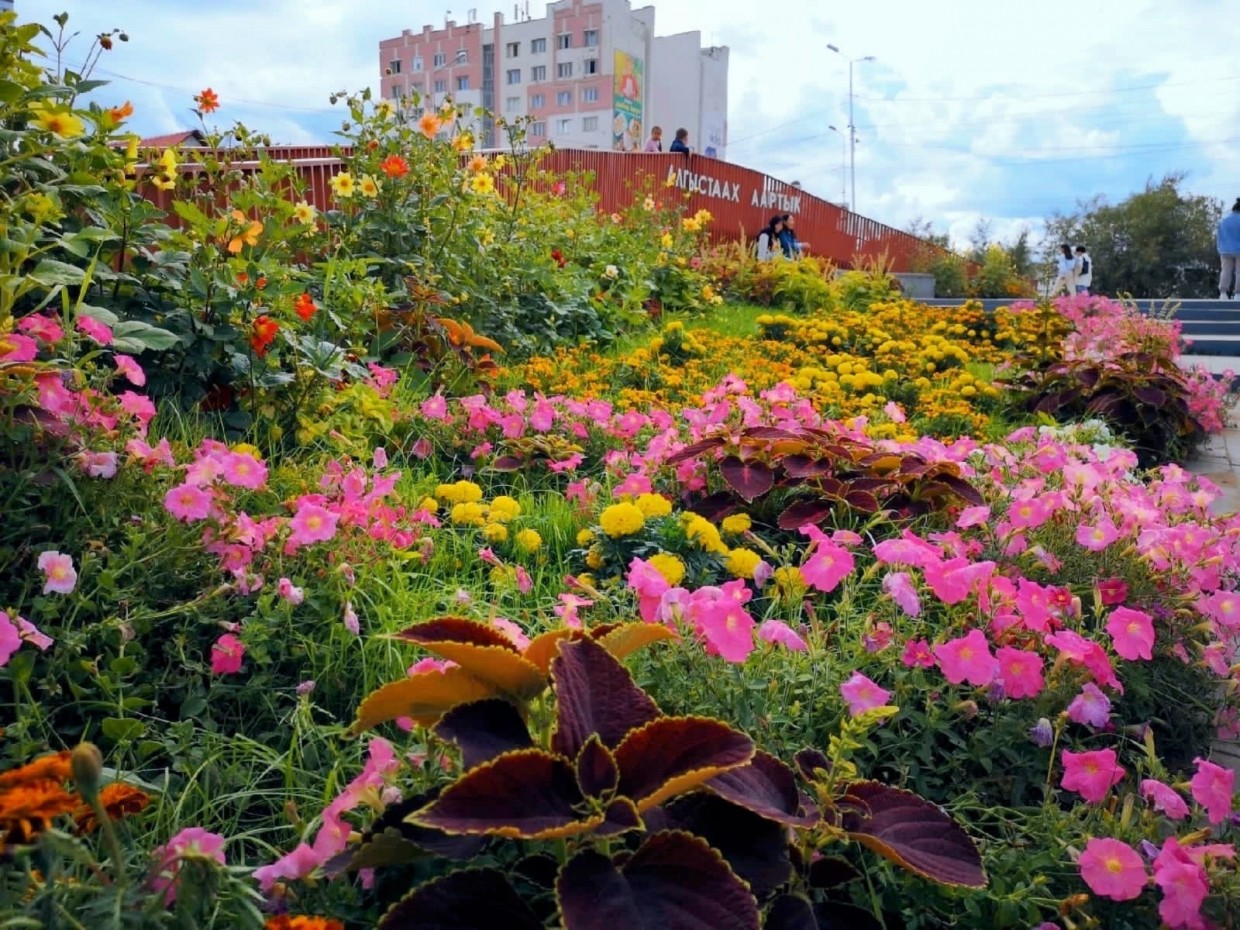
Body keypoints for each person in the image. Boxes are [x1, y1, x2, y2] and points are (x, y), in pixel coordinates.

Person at [1218, 198, 1240, 299]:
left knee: (1225, 270)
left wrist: (1220, 248)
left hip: (1225, 249)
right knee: (1239, 272)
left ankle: (1223, 293)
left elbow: (1219, 235)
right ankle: (1238, 294)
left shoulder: (1223, 220)